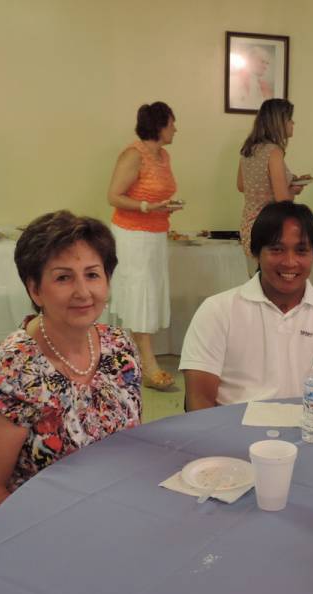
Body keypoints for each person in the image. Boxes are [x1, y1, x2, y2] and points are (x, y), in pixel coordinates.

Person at [0, 211, 142, 574]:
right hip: (9, 530)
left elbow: (128, 445)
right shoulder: (11, 370)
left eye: (92, 275)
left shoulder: (119, 347)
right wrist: (74, 527)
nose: (83, 292)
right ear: (35, 289)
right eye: (63, 277)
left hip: (94, 511)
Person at [180, 202, 313, 411]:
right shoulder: (217, 310)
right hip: (230, 429)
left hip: (306, 428)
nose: (290, 262)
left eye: (301, 251)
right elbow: (199, 401)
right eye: (277, 249)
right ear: (256, 252)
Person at [107, 101, 182, 391]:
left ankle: (130, 359)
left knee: (148, 293)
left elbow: (156, 196)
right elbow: (114, 196)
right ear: (160, 126)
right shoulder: (133, 154)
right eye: (172, 123)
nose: (176, 129)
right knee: (138, 294)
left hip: (155, 235)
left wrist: (163, 207)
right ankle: (149, 366)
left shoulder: (164, 156)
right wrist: (147, 207)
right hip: (132, 236)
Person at [238, 98, 311, 276]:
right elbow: (282, 200)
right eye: (290, 119)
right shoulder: (274, 152)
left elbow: (241, 186)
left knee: (255, 280)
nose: (293, 123)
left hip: (248, 224)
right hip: (269, 225)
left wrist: (288, 183)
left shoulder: (249, 149)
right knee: (272, 282)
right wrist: (293, 190)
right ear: (279, 122)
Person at [229, 44, 274, 110]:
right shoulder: (232, 81)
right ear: (251, 60)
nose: (265, 67)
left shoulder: (264, 87)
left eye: (267, 63)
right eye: (262, 62)